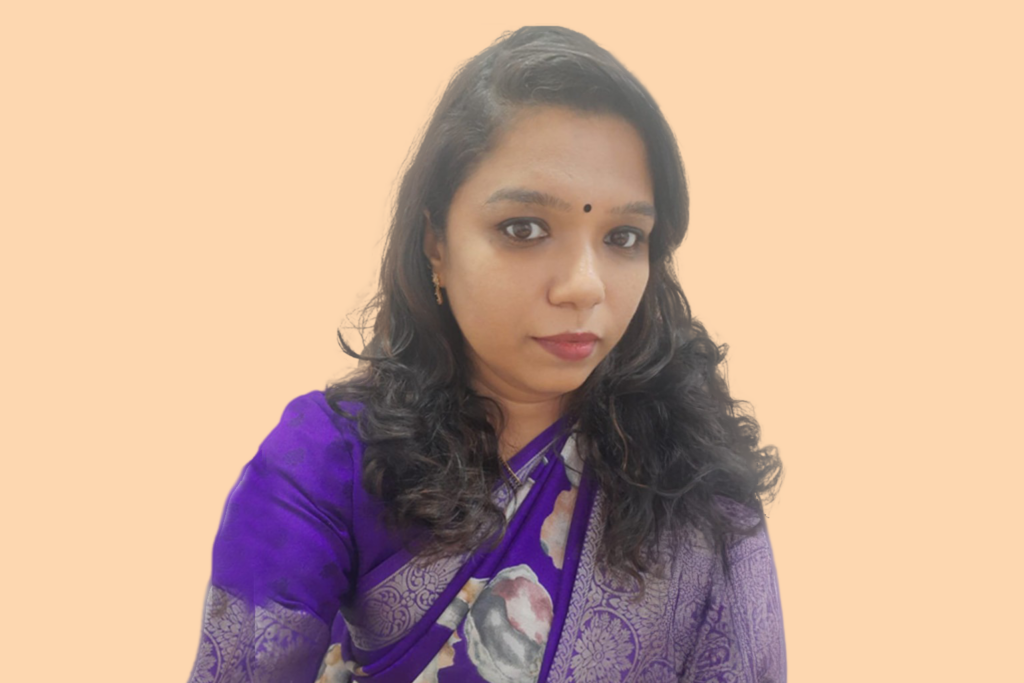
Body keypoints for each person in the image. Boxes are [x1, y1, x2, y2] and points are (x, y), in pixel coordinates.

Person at [187, 26, 785, 683]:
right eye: (525, 228)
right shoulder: (328, 461)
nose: (584, 285)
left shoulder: (696, 477)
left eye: (622, 236)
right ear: (435, 242)